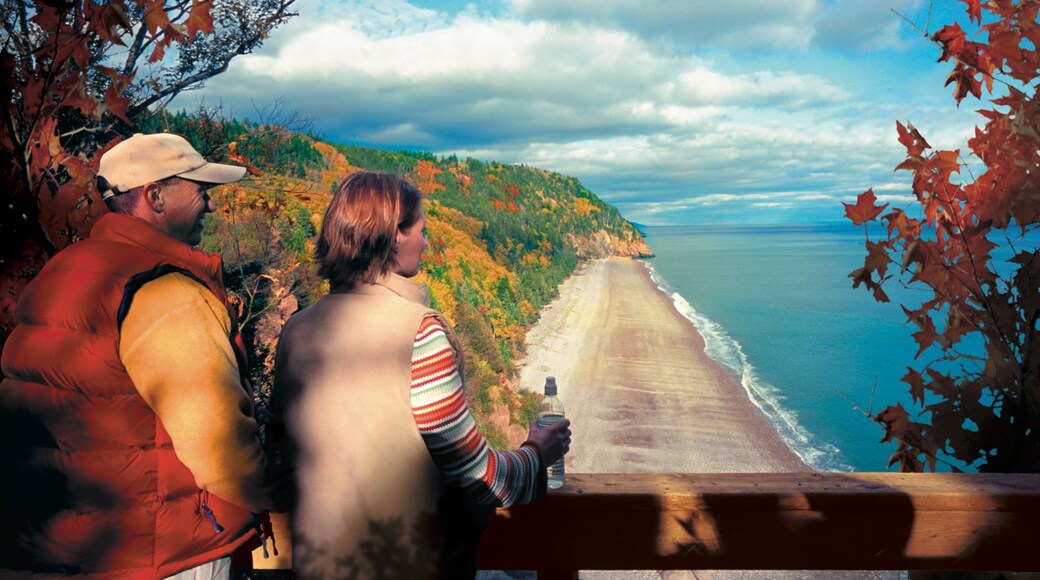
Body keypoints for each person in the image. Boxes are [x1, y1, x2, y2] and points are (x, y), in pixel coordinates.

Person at [265, 171, 571, 579]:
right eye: (421, 231)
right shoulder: (420, 332)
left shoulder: (297, 328)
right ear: (394, 236)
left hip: (319, 565)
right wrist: (537, 452)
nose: (425, 243)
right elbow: (478, 476)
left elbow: (280, 454)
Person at [0, 133, 274, 579]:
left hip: (60, 543)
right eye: (200, 190)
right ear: (155, 196)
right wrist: (275, 496)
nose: (210, 205)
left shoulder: (62, 271)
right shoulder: (166, 291)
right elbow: (222, 451)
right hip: (164, 550)